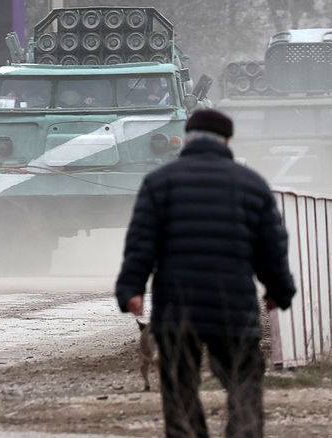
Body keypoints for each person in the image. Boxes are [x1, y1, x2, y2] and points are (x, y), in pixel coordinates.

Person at [115, 109, 296, 438]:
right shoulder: (251, 184)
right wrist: (278, 290)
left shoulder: (159, 182)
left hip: (177, 304)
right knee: (243, 382)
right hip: (233, 304)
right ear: (227, 140)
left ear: (188, 138)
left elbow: (140, 242)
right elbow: (272, 246)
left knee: (179, 384)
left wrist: (131, 289)